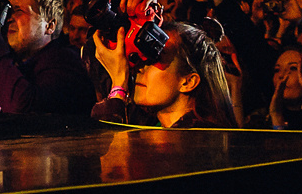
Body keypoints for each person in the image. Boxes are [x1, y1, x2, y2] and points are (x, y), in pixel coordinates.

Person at [92, 20, 239, 128]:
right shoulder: (156, 127)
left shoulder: (197, 136)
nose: (140, 68)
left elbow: (111, 160)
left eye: (153, 60)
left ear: (188, 82)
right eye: (142, 57)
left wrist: (118, 85)